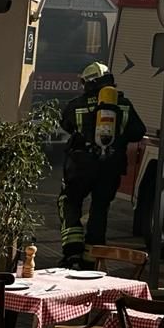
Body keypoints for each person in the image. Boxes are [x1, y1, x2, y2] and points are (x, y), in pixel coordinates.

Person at [58, 62, 146, 265]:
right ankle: (91, 257)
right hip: (111, 168)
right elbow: (138, 131)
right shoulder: (123, 105)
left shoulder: (76, 105)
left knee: (69, 201)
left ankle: (72, 253)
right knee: (100, 208)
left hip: (81, 167)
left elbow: (65, 124)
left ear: (88, 83)